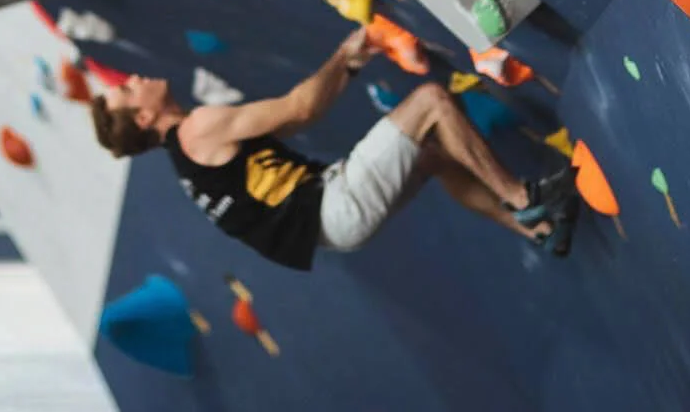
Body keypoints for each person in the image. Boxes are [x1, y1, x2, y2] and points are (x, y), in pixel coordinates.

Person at [89, 29, 582, 272]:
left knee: (432, 156)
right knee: (431, 101)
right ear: (146, 118)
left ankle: (535, 228)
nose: (132, 80)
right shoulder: (198, 128)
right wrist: (349, 55)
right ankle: (526, 198)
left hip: (330, 225)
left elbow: (285, 131)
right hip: (333, 204)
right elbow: (302, 109)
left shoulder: (189, 158)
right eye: (127, 92)